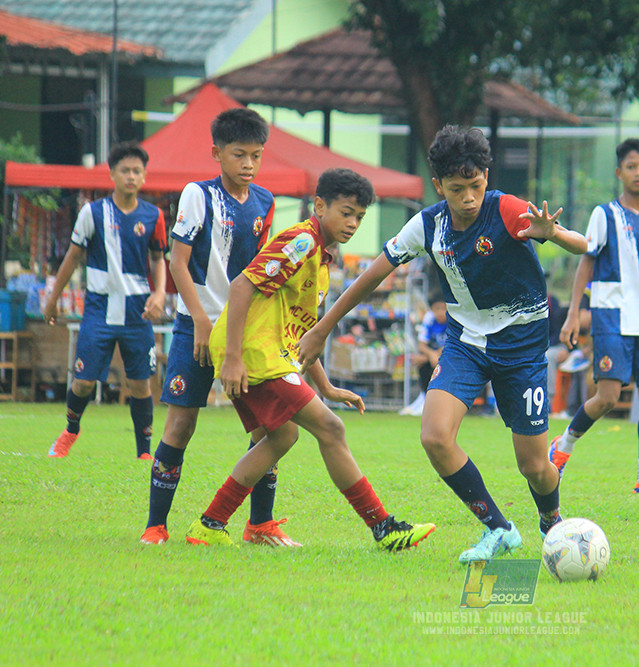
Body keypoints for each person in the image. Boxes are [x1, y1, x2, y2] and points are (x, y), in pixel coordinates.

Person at [298, 125, 588, 562]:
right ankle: (499, 529)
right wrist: (324, 327)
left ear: (486, 177)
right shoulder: (428, 225)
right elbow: (373, 275)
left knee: (534, 466)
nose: (469, 197)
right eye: (457, 189)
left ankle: (551, 519)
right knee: (434, 436)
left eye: (476, 186)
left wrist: (554, 233)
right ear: (439, 186)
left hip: (523, 349)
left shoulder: (507, 209)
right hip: (466, 344)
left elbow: (581, 245)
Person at [185, 168, 435, 550]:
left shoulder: (321, 257)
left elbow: (299, 333)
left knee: (283, 436)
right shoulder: (301, 241)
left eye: (359, 217)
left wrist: (326, 386)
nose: (353, 223)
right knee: (331, 429)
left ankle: (211, 524)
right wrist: (233, 358)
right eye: (346, 213)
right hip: (253, 353)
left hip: (267, 354)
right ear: (319, 205)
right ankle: (384, 528)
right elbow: (241, 287)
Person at [140, 107, 287, 546]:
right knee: (180, 425)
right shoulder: (197, 195)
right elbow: (177, 263)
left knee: (267, 429)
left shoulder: (265, 201)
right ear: (216, 153)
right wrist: (202, 321)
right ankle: (155, 525)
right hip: (195, 326)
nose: (248, 164)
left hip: (244, 329)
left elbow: (258, 272)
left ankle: (260, 525)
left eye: (256, 155)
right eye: (239, 154)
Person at [550, 137, 639, 496]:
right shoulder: (604, 215)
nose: (638, 172)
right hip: (611, 317)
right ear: (620, 173)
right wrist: (574, 314)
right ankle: (563, 445)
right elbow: (586, 261)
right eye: (631, 167)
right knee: (606, 397)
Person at [45, 142, 167, 460]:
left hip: (137, 311)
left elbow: (158, 259)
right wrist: (53, 298)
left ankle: (144, 453)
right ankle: (70, 430)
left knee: (140, 384)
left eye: (137, 171)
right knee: (84, 381)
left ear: (144, 176)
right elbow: (73, 256)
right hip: (98, 309)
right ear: (112, 174)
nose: (131, 176)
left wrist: (159, 293)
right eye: (125, 170)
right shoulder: (93, 212)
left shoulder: (153, 215)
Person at [400, 295, 448, 416]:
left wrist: (429, 357)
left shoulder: (453, 320)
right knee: (421, 362)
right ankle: (423, 397)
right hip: (434, 356)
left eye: (443, 308)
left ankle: (431, 402)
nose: (440, 312)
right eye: (437, 309)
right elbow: (421, 345)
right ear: (431, 309)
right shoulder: (429, 319)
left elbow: (453, 344)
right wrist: (430, 355)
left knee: (431, 363)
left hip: (450, 356)